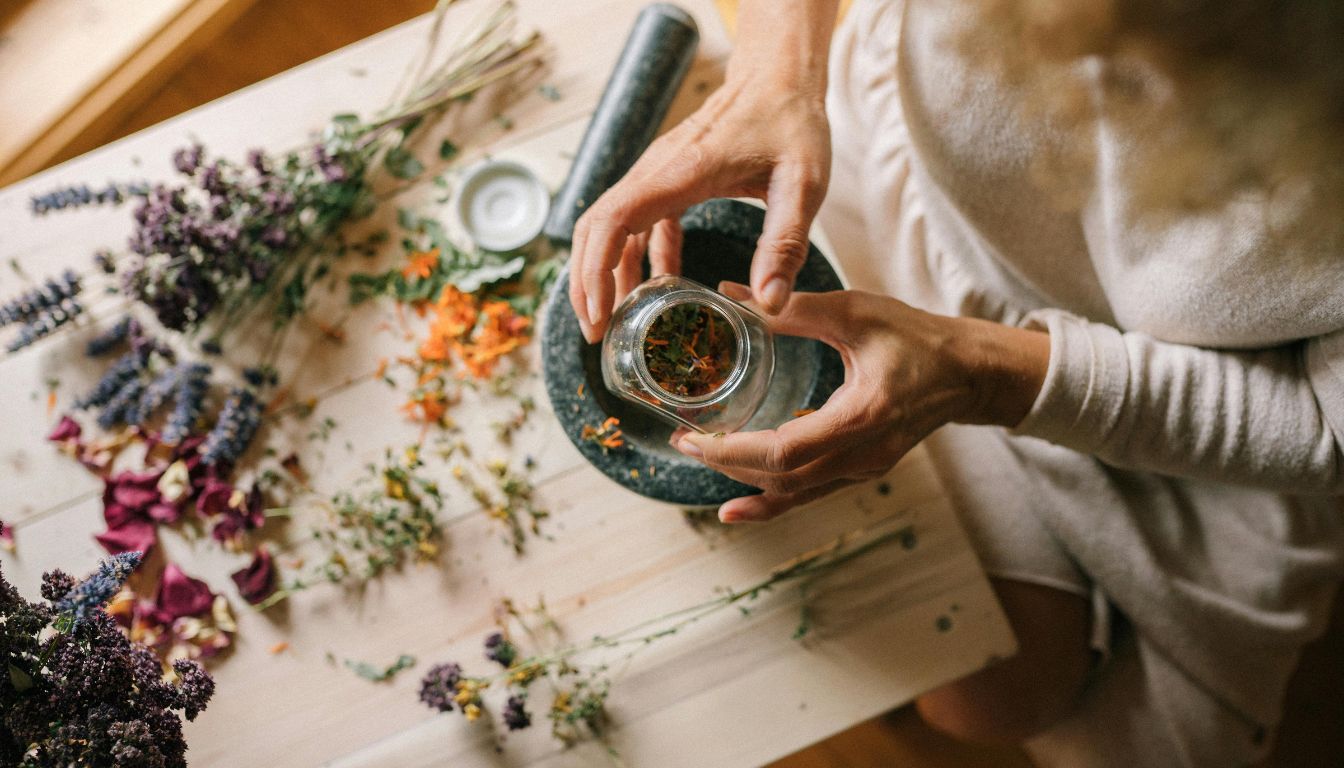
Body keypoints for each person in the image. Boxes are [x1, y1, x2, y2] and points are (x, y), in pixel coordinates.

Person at [568, 0, 1344, 765]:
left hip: (1170, 395)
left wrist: (976, 378)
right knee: (963, 678)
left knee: (995, 703)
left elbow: (1321, 420)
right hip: (899, 166)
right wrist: (775, 74)